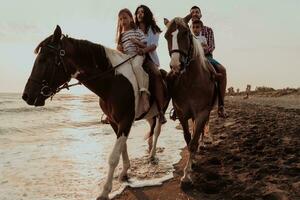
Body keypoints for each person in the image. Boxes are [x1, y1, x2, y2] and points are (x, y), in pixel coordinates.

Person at [190, 6, 228, 118]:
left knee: (222, 70)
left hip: (207, 57)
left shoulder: (208, 30)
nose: (195, 13)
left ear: (200, 15)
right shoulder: (187, 30)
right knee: (175, 73)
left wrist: (205, 49)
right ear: (190, 15)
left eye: (197, 12)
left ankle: (221, 105)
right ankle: (176, 107)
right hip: (191, 58)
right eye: (193, 12)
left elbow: (211, 46)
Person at [134, 5, 167, 124]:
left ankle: (160, 110)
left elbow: (153, 46)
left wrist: (143, 49)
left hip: (148, 58)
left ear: (146, 14)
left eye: (142, 12)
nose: (139, 14)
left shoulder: (153, 29)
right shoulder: (133, 29)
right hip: (134, 56)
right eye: (138, 12)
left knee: (157, 75)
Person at [116, 8, 151, 112]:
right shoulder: (121, 36)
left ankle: (144, 94)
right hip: (126, 57)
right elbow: (120, 50)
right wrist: (119, 49)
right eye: (121, 19)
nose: (123, 21)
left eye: (125, 18)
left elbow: (145, 44)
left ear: (131, 19)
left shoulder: (137, 31)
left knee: (136, 67)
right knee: (116, 71)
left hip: (137, 55)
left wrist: (136, 42)